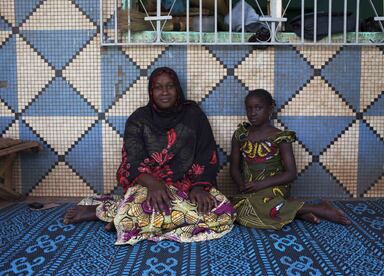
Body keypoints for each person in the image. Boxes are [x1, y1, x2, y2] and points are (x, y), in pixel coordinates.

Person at [64, 67, 236, 244]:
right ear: (151, 91)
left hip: (190, 186)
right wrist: (154, 184)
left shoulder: (193, 115)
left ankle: (119, 215)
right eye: (158, 87)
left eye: (170, 86)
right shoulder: (139, 119)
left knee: (224, 212)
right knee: (152, 203)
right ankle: (106, 213)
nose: (164, 92)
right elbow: (132, 161)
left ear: (178, 89)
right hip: (148, 186)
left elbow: (207, 154)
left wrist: (199, 187)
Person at [230, 89, 351, 230]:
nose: (253, 113)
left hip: (274, 187)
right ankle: (298, 211)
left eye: (258, 108)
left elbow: (291, 173)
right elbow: (234, 167)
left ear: (270, 108)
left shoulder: (280, 137)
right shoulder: (241, 135)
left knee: (261, 205)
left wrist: (261, 184)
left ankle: (319, 208)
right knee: (234, 209)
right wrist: (241, 185)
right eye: (249, 108)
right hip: (250, 189)